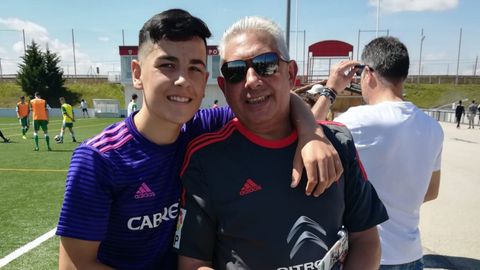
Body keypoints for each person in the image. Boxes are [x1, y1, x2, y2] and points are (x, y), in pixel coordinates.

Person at [56, 9, 341, 270]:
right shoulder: (99, 159)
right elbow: (74, 266)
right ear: (137, 74)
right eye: (167, 65)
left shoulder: (201, 127)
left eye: (194, 68)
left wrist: (311, 134)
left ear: (205, 79)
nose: (183, 80)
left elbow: (275, 97)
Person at [175, 16, 388, 270]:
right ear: (223, 87)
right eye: (235, 72)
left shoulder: (337, 144)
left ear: (291, 74)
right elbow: (193, 263)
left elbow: (365, 238)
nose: (252, 80)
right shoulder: (206, 158)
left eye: (266, 65)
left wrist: (312, 132)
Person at [313, 36, 444, 269]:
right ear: (402, 74)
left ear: (368, 73)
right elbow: (431, 192)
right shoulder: (432, 127)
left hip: (368, 256)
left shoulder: (358, 120)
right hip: (412, 256)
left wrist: (331, 89)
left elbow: (308, 133)